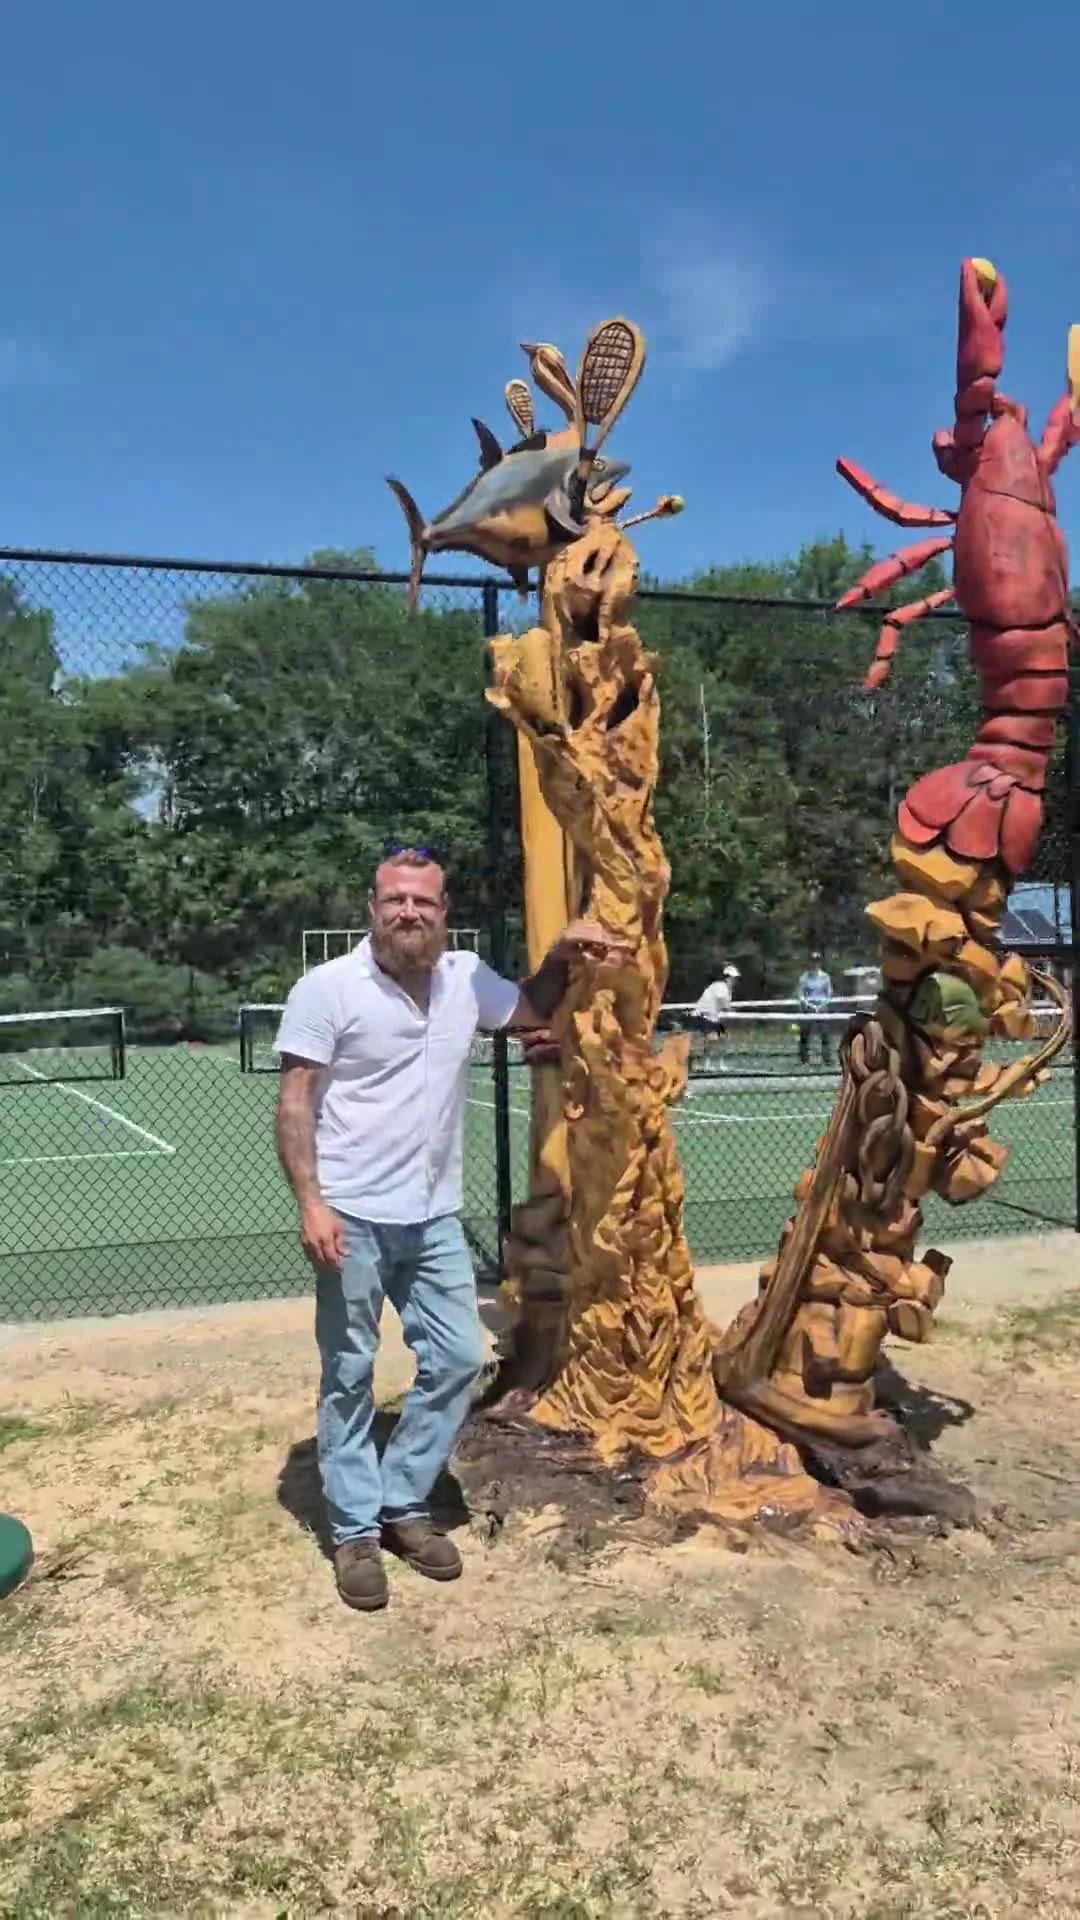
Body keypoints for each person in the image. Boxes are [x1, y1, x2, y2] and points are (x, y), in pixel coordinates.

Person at [273, 844, 619, 1613]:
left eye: (423, 903)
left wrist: (563, 954)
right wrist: (312, 1204)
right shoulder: (327, 989)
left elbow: (529, 1007)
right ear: (372, 908)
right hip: (353, 1216)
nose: (408, 913)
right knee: (351, 1371)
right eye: (395, 900)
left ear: (443, 914)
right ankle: (357, 1531)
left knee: (460, 1359)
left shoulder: (465, 980)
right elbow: (295, 1101)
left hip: (433, 1218)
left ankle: (402, 1501)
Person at [688, 963, 739, 1073]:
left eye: (735, 978)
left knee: (723, 1038)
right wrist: (731, 1010)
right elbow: (723, 1003)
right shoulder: (720, 986)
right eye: (732, 978)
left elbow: (724, 1005)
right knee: (711, 1039)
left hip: (712, 1018)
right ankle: (702, 1064)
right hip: (702, 1016)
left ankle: (718, 1064)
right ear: (727, 977)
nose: (734, 980)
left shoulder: (727, 990)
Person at [796, 951, 834, 1065]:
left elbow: (829, 994)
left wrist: (821, 1005)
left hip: (822, 1008)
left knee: (825, 1034)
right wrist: (810, 1005)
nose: (815, 964)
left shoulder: (826, 977)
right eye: (813, 961)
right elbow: (800, 995)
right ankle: (804, 1059)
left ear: (820, 963)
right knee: (804, 1034)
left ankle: (827, 1059)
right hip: (808, 1008)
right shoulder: (804, 978)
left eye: (817, 962)